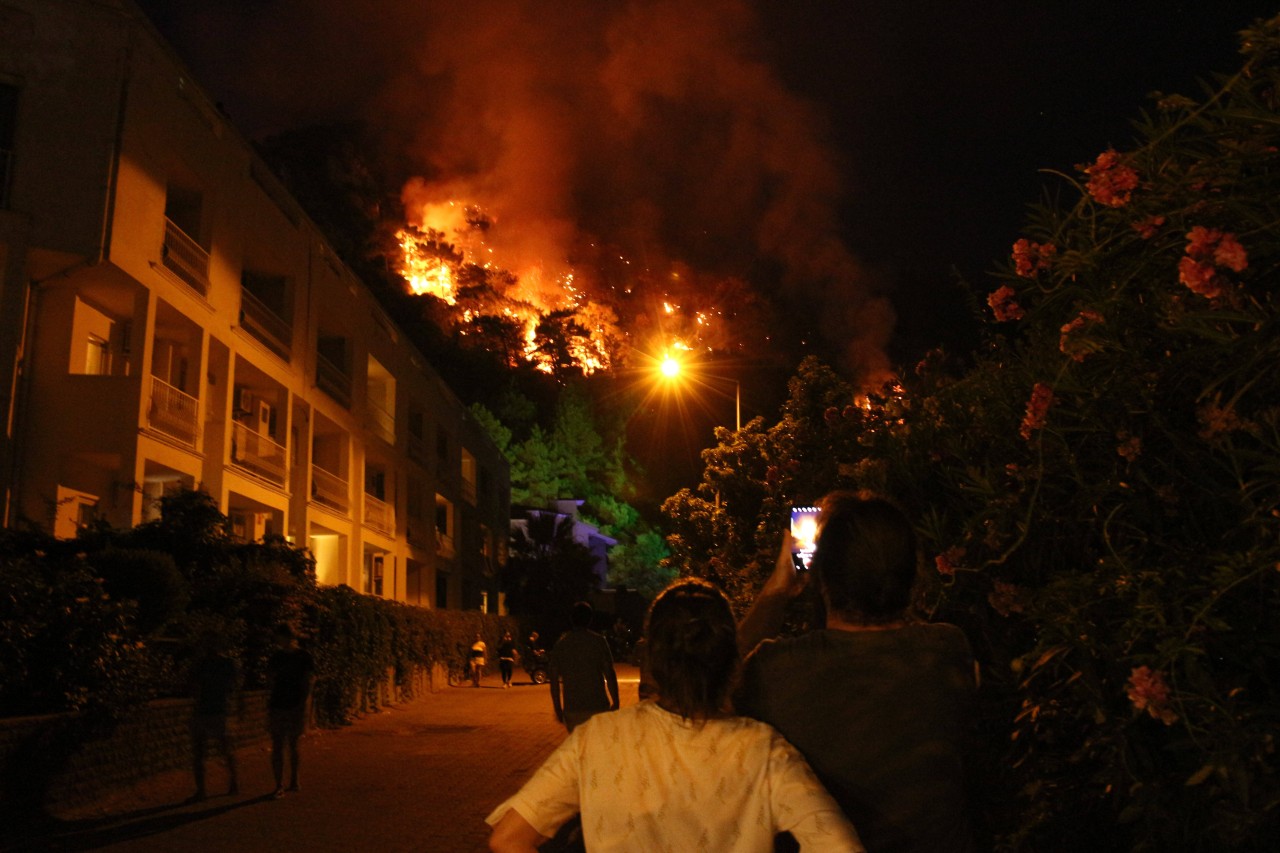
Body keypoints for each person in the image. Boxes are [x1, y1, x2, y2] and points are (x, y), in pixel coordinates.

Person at [487, 578, 864, 852]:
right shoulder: (764, 750)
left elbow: (509, 838)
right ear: (733, 662)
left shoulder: (597, 738)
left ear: (650, 660)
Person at [736, 491, 978, 853]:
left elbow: (707, 680)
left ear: (823, 578)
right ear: (911, 576)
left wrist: (776, 591)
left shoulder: (775, 670)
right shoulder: (948, 651)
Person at [547, 601, 619, 731]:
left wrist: (557, 707)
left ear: (571, 619)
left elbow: (554, 681)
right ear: (590, 619)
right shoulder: (598, 641)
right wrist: (616, 701)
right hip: (598, 705)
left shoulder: (561, 644)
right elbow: (609, 673)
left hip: (573, 708)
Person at [188, 630, 240, 801]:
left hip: (217, 710)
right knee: (203, 752)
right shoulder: (207, 664)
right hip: (209, 710)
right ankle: (204, 789)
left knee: (222, 749)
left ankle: (230, 783)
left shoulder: (224, 664)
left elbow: (232, 686)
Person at [266, 623, 314, 799]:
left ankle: (292, 779)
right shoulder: (278, 656)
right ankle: (281, 783)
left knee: (292, 744)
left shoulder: (302, 657)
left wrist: (303, 703)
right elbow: (270, 679)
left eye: (280, 636)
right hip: (281, 703)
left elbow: (308, 681)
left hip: (292, 704)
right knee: (279, 744)